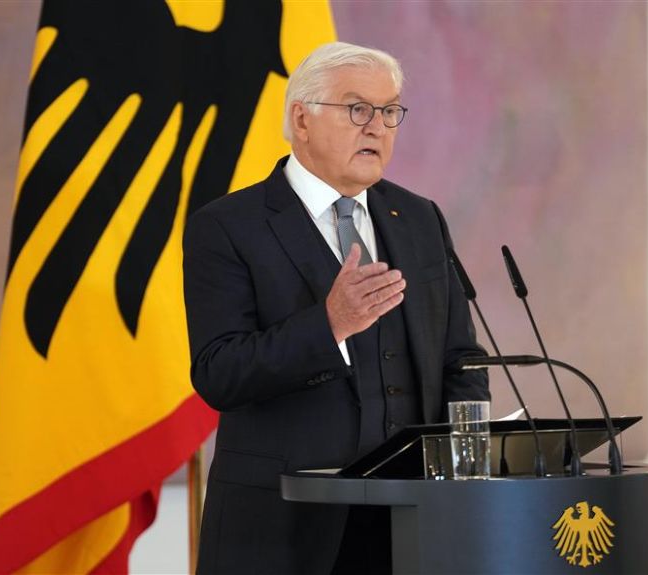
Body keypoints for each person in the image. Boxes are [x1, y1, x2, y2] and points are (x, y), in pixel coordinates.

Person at [183, 41, 489, 575]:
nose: (378, 126)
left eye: (390, 111)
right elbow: (219, 373)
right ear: (302, 119)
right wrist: (329, 326)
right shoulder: (228, 226)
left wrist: (466, 462)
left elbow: (459, 358)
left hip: (412, 527)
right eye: (358, 109)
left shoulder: (419, 218)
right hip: (283, 528)